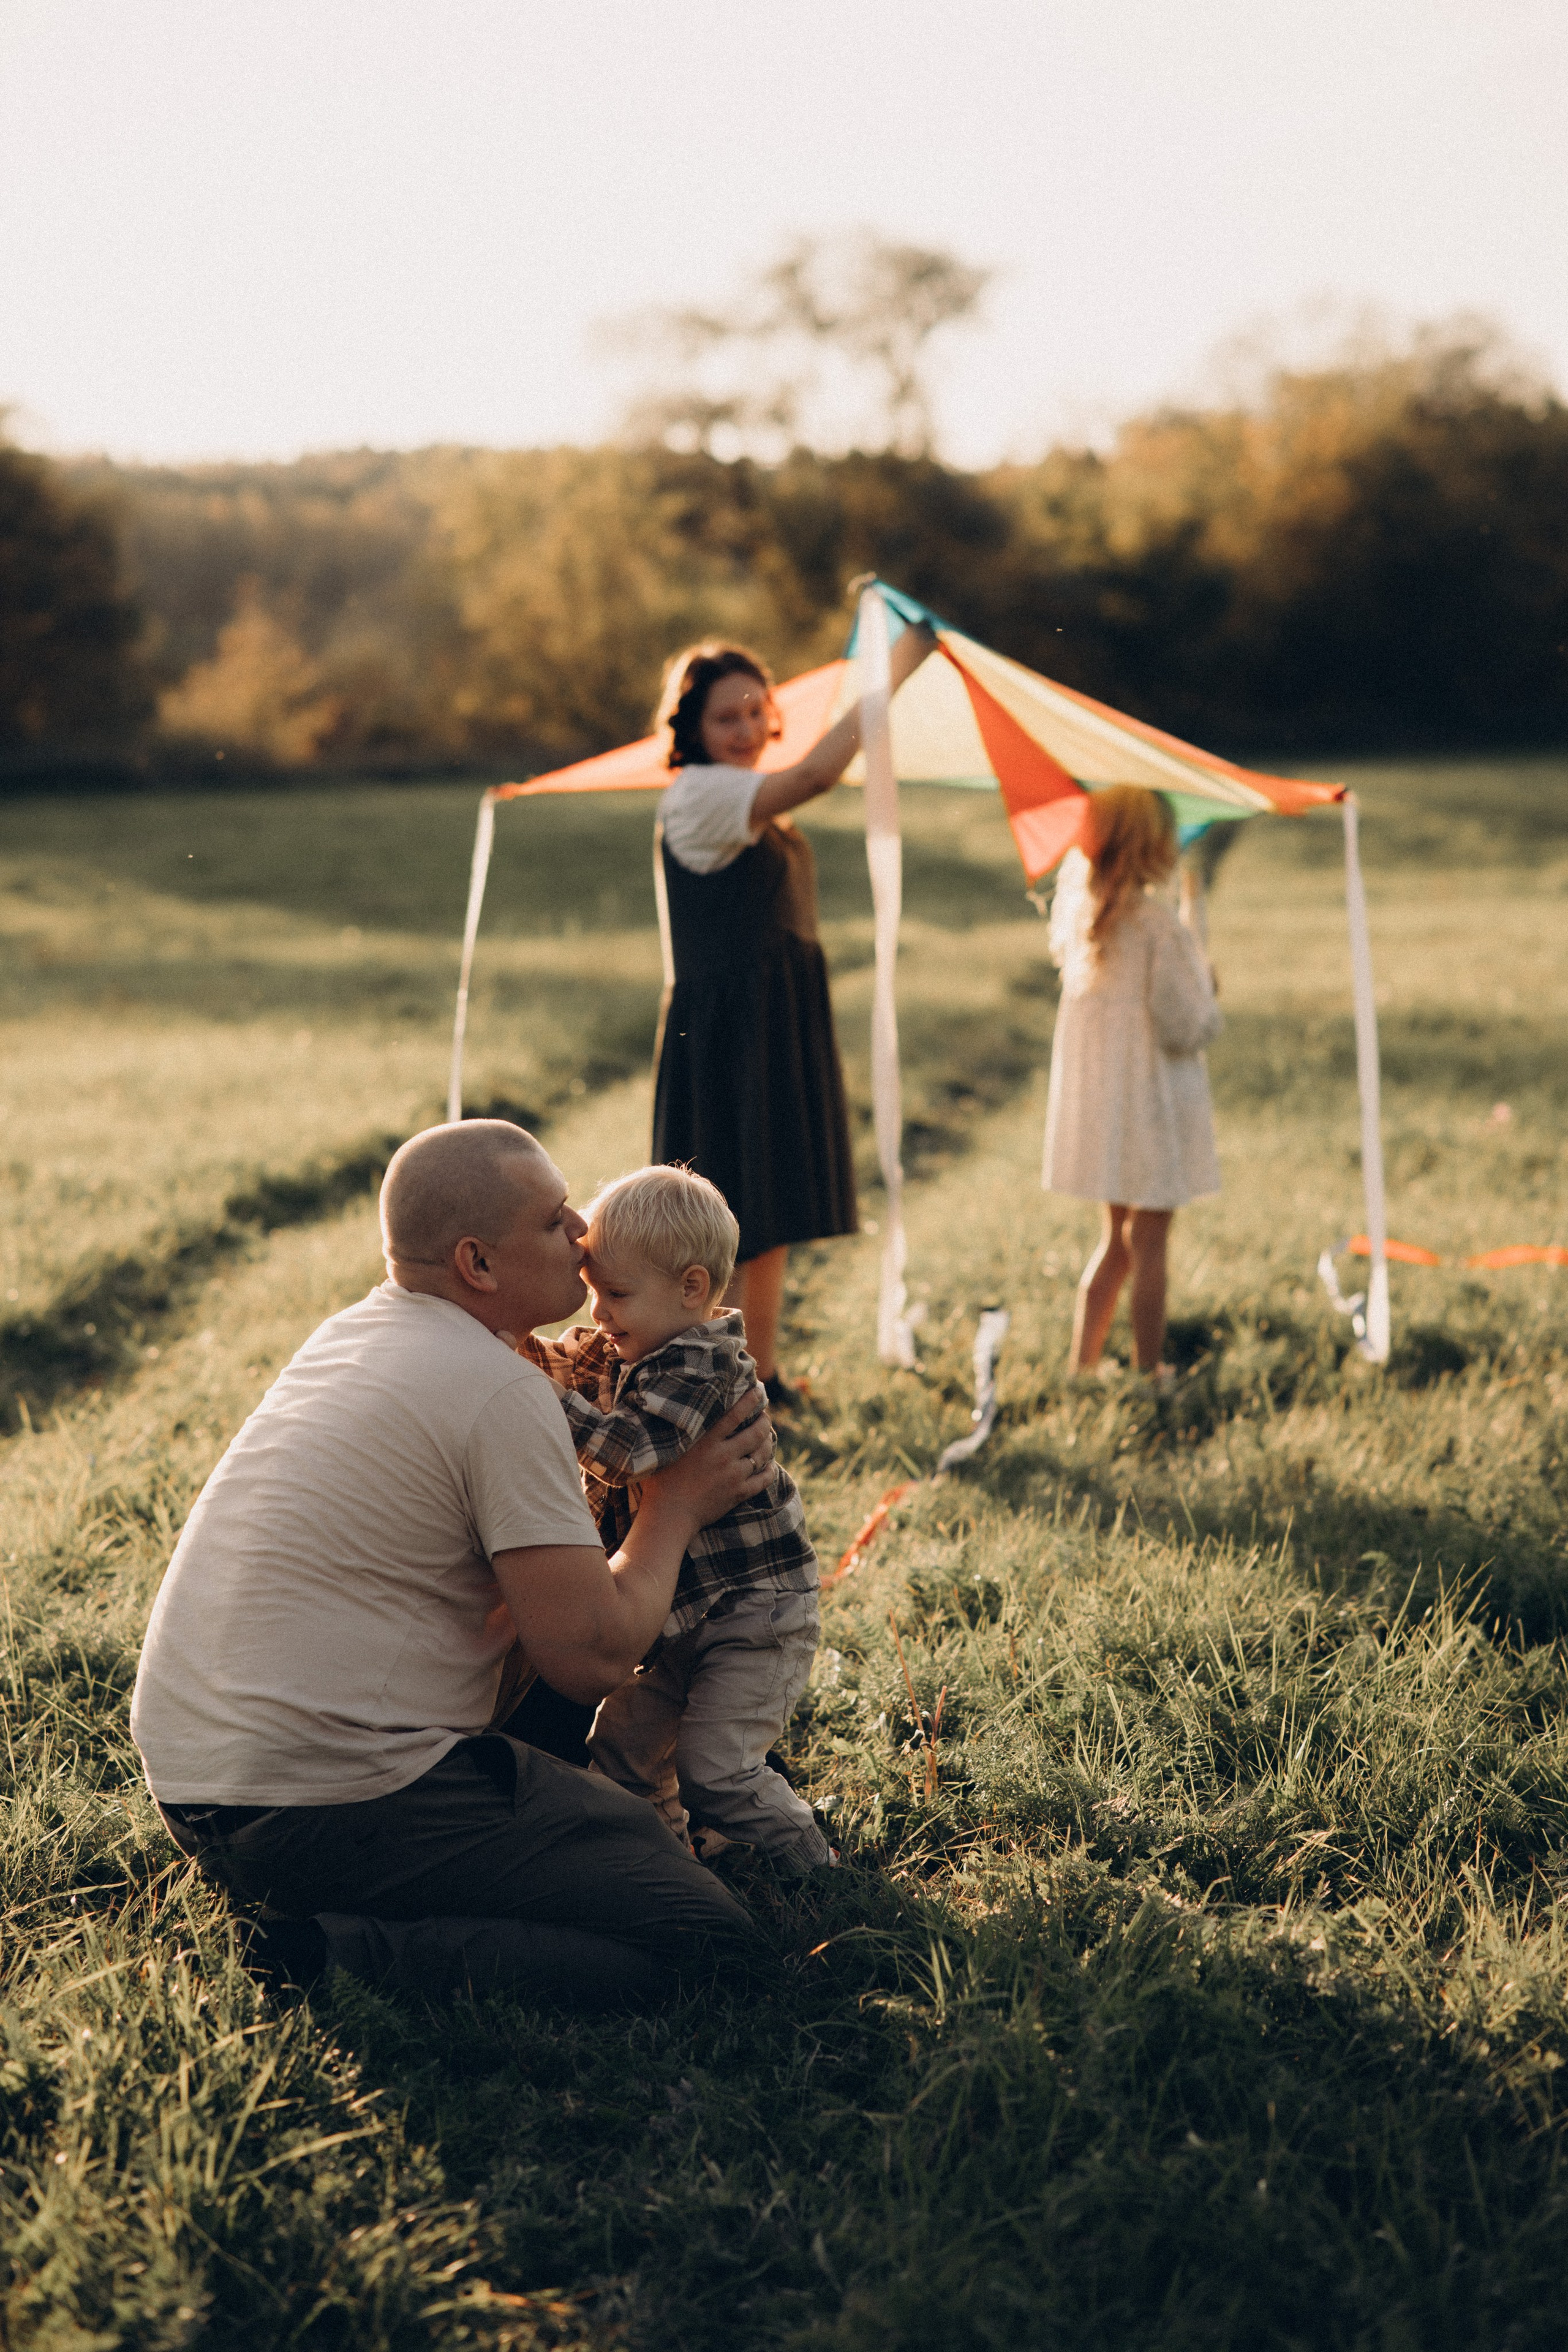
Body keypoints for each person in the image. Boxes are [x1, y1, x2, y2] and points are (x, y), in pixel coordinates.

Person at [129, 1118, 775, 2006]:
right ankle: (331, 1956)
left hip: (197, 1786)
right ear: (477, 1263)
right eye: (554, 1219)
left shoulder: (353, 1333)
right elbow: (590, 1658)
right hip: (326, 1801)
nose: (584, 1232)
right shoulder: (498, 1390)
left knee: (609, 1801)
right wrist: (676, 1506)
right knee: (708, 1944)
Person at [650, 624, 935, 1404]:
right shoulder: (703, 794)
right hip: (730, 1034)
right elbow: (814, 774)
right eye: (725, 718)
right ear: (692, 728)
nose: (745, 729)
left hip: (768, 1021)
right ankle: (716, 1386)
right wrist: (893, 668)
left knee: (763, 1214)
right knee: (729, 1219)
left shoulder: (739, 794)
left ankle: (757, 1377)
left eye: (755, 712)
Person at [522, 1165, 831, 1872]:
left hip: (754, 1615)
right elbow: (560, 1360)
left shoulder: (703, 1368)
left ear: (692, 1288)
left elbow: (629, 1451)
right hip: (682, 1615)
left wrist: (533, 1395)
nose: (598, 1313)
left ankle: (817, 1870)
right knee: (622, 1750)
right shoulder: (635, 1340)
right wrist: (509, 1350)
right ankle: (671, 1861)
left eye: (615, 1294)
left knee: (716, 1771)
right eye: (594, 1292)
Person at [1041, 785, 1223, 1384]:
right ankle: (1151, 1373)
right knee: (1149, 1244)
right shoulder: (1157, 926)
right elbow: (1183, 1024)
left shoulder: (1085, 918)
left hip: (1110, 1112)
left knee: (1115, 1242)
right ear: (1154, 846)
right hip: (1151, 1111)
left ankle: (1082, 1365)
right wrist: (1208, 991)